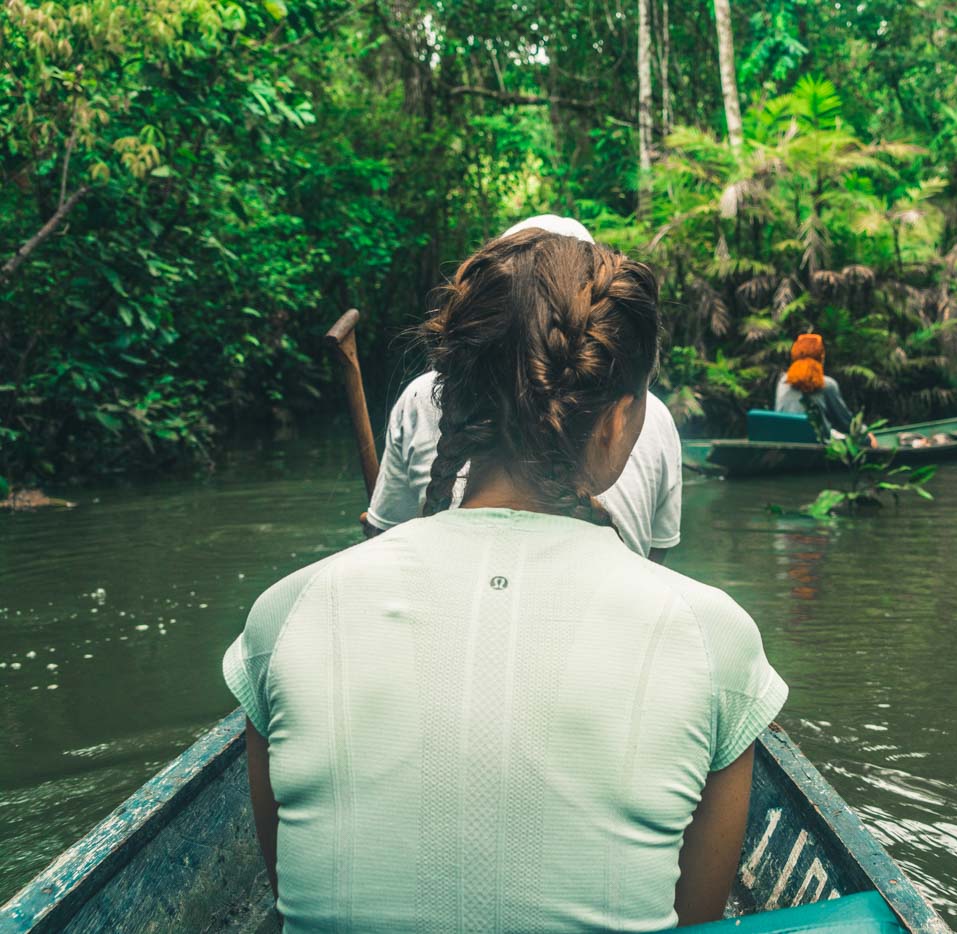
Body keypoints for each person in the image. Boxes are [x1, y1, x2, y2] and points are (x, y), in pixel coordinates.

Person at [223, 230, 788, 932]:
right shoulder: (716, 643)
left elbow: (289, 900)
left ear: (451, 401)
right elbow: (694, 921)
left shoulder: (283, 617)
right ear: (622, 421)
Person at [366, 215, 683, 563]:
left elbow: (386, 534)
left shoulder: (421, 395)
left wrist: (378, 537)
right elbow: (655, 558)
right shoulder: (647, 410)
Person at [773, 333, 873, 444]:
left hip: (783, 444)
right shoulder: (826, 384)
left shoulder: (783, 382)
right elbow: (846, 424)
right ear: (822, 357)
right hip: (816, 448)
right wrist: (867, 436)